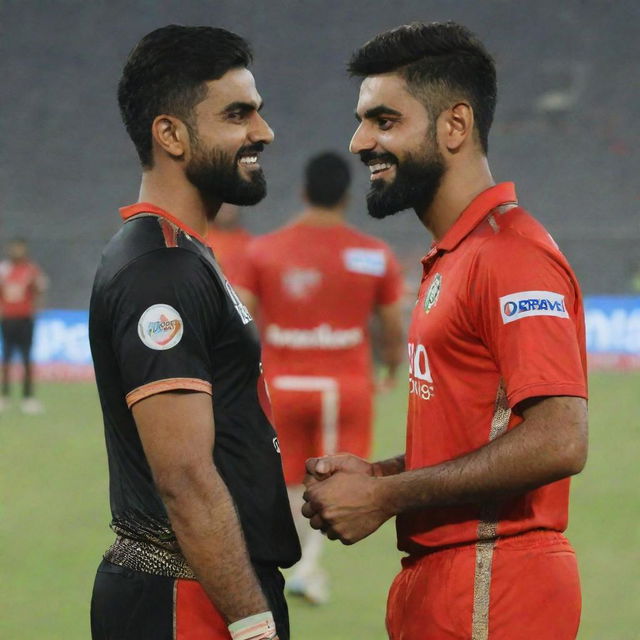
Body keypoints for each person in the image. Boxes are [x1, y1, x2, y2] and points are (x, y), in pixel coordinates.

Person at [302, 22, 588, 639]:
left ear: (454, 126)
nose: (358, 142)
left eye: (383, 120)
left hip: (494, 581)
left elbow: (560, 438)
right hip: (452, 582)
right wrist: (382, 477)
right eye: (361, 121)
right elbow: (483, 429)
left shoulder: (511, 257)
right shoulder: (456, 258)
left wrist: (388, 498)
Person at [89, 25, 299, 640]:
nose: (262, 131)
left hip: (202, 590)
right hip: (189, 599)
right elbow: (184, 477)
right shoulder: (162, 270)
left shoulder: (180, 255)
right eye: (238, 114)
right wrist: (253, 625)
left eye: (256, 111)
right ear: (171, 134)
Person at [235, 151, 405, 604]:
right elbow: (391, 327)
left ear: (303, 192)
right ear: (349, 198)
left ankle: (284, 564)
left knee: (289, 481)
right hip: (344, 387)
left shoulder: (263, 251)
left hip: (281, 387)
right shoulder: (372, 256)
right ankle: (308, 568)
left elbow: (242, 321)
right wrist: (389, 367)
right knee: (333, 480)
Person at [0, 238, 48, 414]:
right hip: (8, 320)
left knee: (27, 358)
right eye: (15, 248)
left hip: (25, 320)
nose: (17, 251)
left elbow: (39, 290)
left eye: (20, 248)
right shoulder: (4, 269)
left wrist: (37, 309)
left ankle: (28, 397)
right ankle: (4, 396)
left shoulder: (31, 269)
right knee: (6, 357)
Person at [205, 203, 253, 285]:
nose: (227, 209)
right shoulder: (202, 237)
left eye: (231, 204)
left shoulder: (248, 243)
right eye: (223, 204)